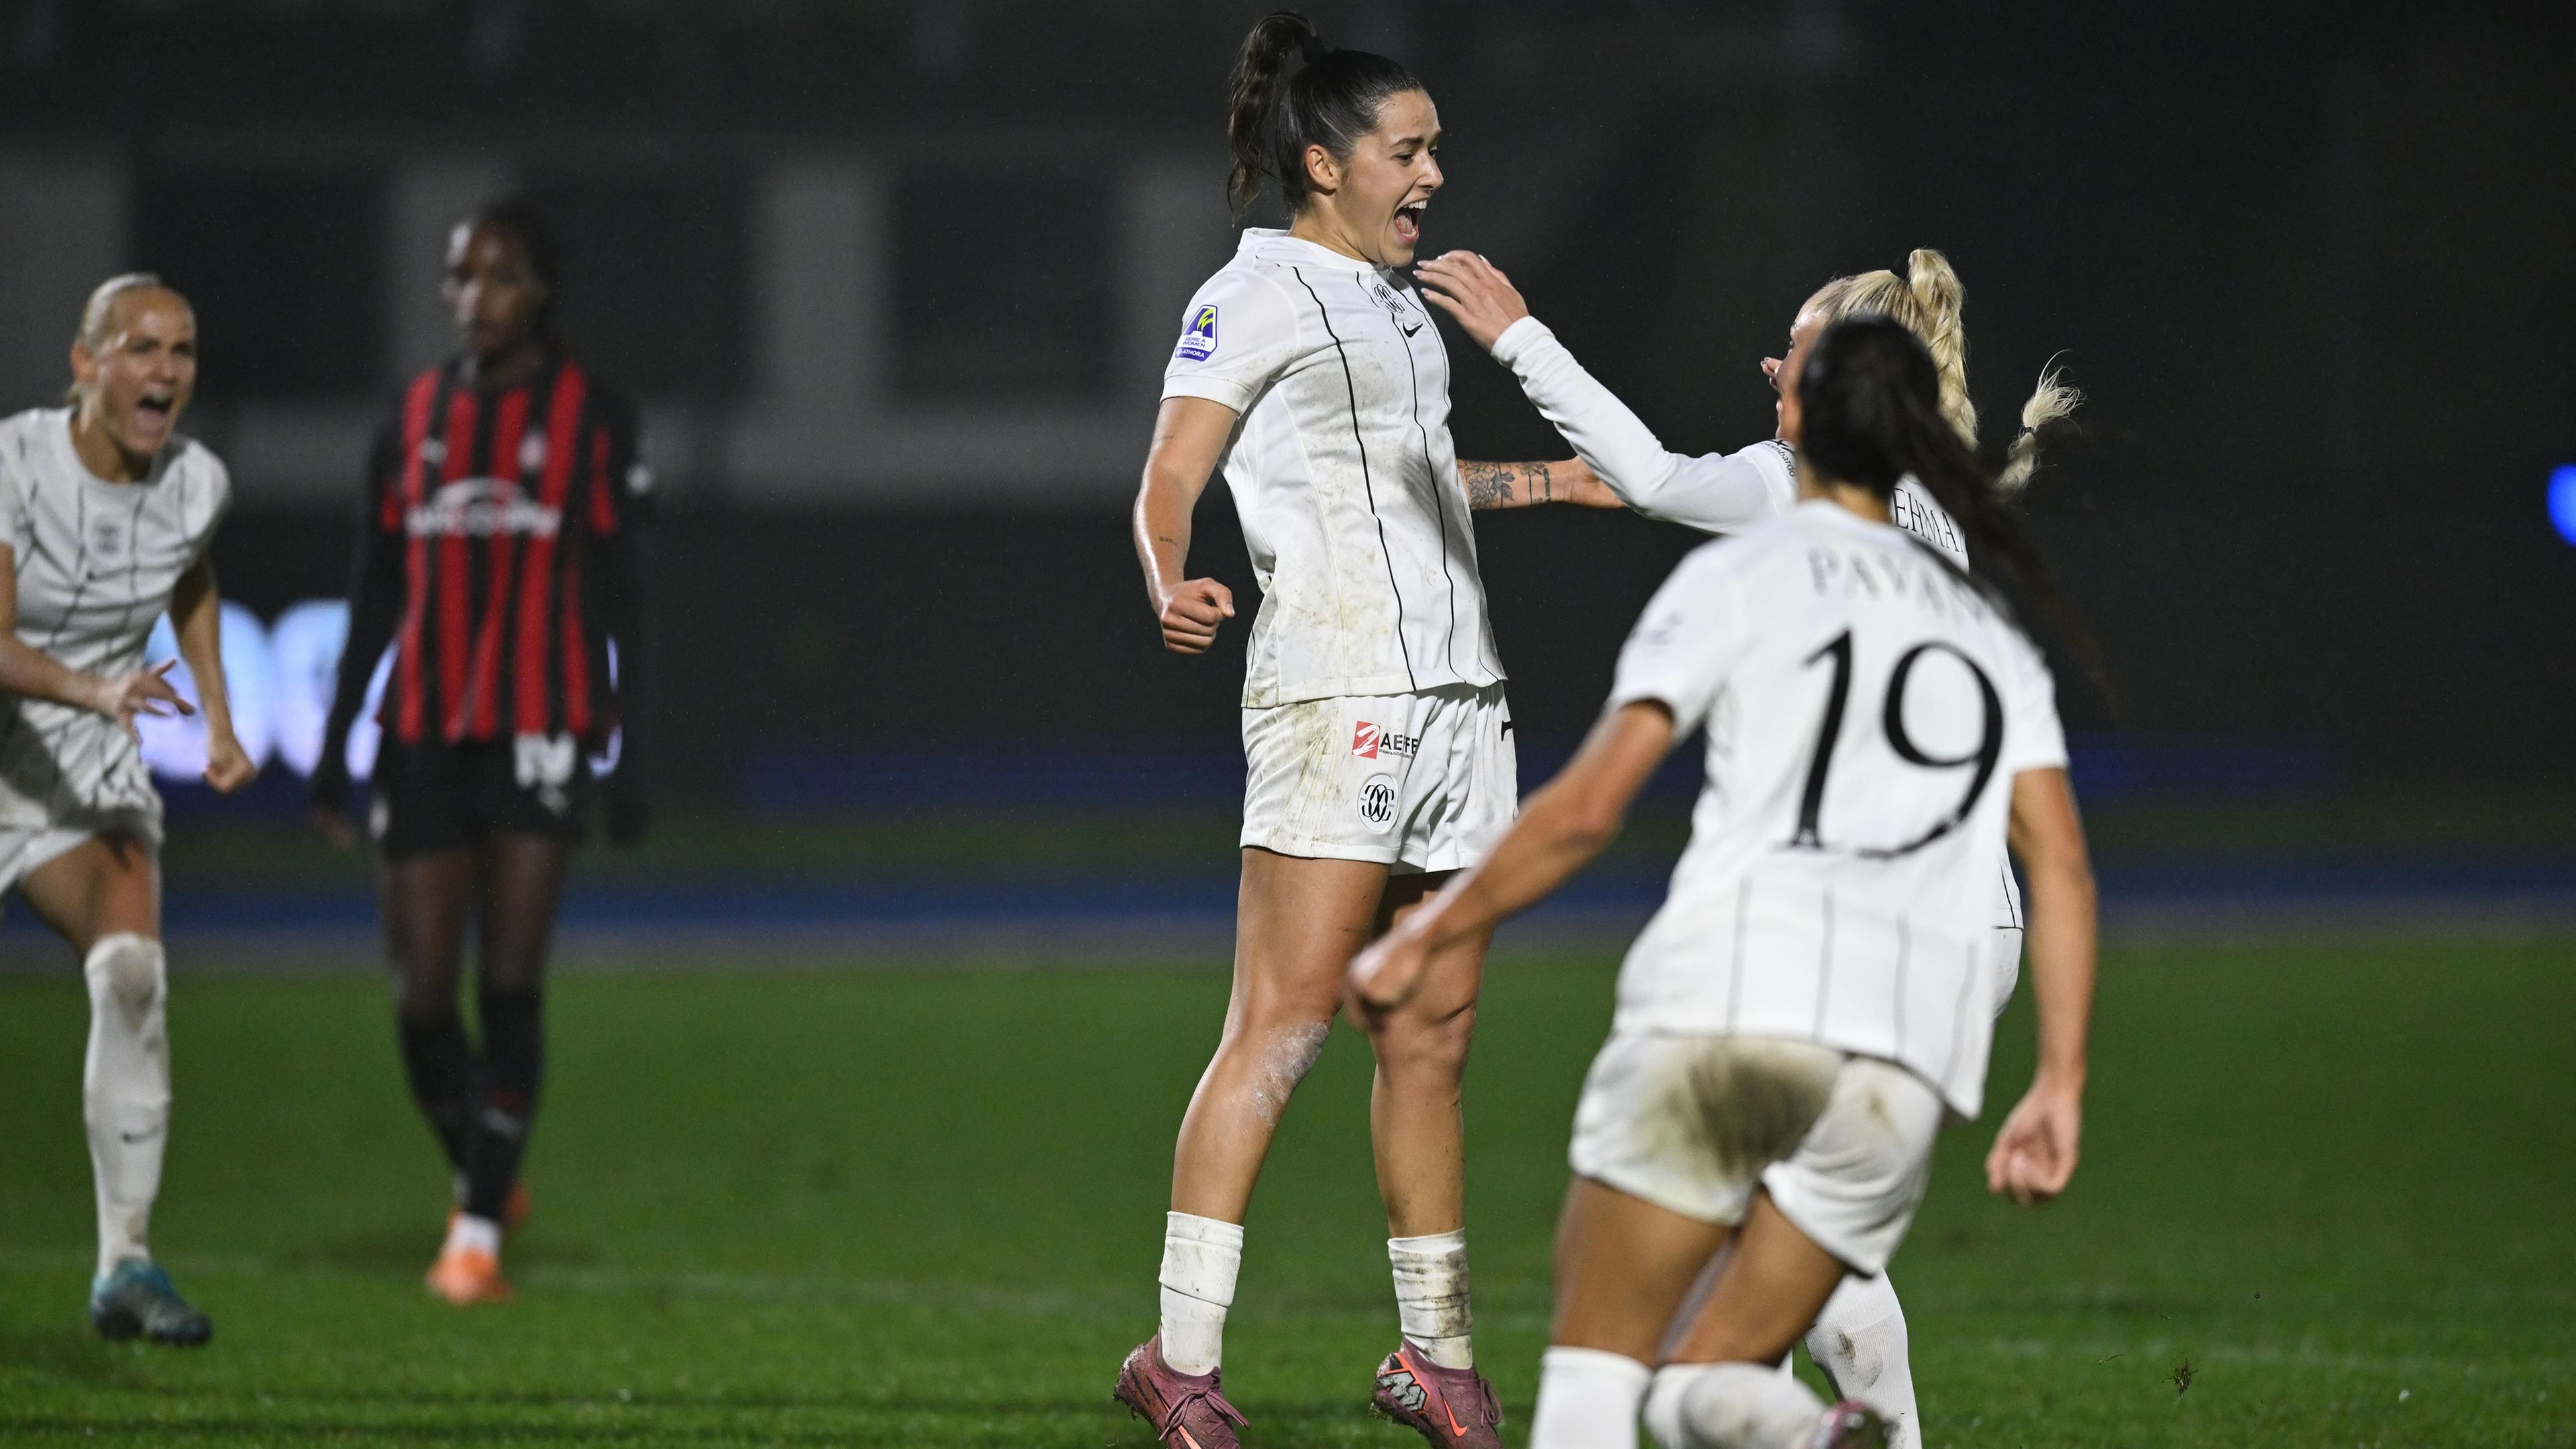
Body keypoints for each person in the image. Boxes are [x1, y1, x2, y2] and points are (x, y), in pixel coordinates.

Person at [1349, 315, 2100, 1449]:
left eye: (1789, 367)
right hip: (1921, 1015)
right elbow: (2066, 863)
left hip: (1746, 997)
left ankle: (1792, 1430)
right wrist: (2059, 1081)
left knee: (1601, 1363)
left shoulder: (1746, 569)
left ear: (1805, 423)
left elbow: (1588, 807)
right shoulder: (1980, 620)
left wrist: (1428, 931)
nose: (1766, 374)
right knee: (1731, 1340)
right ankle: (1813, 1431)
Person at [1113, 13, 1600, 1448]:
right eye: (1411, 148)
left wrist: (1560, 487)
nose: (1436, 172)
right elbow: (1168, 477)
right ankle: (1181, 1360)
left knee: (1433, 1034)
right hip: (1336, 697)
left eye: (1436, 146)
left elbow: (1420, 480)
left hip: (1463, 700)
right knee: (1282, 1024)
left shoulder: (1397, 300)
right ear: (1323, 163)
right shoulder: (1250, 293)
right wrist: (1166, 581)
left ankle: (1434, 1357)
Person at [309, 198, 651, 1307]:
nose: (475, 298)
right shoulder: (408, 418)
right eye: (460, 278)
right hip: (420, 727)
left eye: (498, 277)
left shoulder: (592, 415)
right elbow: (373, 592)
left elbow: (620, 591)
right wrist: (330, 748)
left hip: (540, 727)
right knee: (419, 1004)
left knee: (508, 984)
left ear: (539, 289)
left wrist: (627, 744)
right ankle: (487, 1162)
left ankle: (473, 1238)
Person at [0, 274, 256, 1345]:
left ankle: (126, 1266)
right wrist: (102, 688)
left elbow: (186, 574)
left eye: (182, 351)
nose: (165, 370)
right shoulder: (15, 464)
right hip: (38, 709)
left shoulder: (197, 482)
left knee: (133, 970)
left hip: (77, 752)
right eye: (140, 347)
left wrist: (219, 721)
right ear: (85, 363)